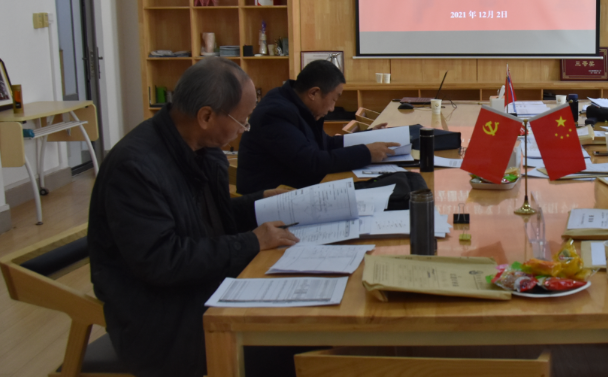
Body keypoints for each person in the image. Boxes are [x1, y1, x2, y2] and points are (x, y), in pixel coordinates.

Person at [88, 57, 301, 377]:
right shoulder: (134, 168)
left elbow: (206, 218)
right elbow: (162, 260)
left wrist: (260, 203)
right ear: (206, 116)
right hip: (161, 317)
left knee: (298, 309)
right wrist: (250, 243)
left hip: (200, 286)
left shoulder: (200, 148)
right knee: (292, 340)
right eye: (242, 120)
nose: (244, 129)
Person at [236, 60, 399, 194]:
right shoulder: (276, 114)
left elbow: (325, 143)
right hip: (271, 202)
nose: (332, 108)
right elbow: (311, 163)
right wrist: (366, 153)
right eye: (334, 99)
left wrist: (368, 137)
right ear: (313, 93)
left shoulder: (296, 104)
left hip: (294, 189)